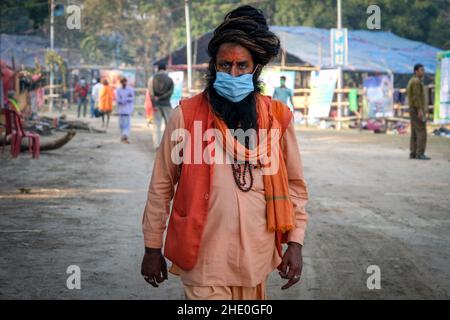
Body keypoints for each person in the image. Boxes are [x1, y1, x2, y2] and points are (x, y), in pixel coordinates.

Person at [141, 5, 309, 300]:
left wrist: (295, 243)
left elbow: (295, 186)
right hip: (203, 259)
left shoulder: (278, 118)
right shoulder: (186, 116)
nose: (232, 74)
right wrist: (152, 247)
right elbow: (161, 185)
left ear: (255, 68)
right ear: (213, 66)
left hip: (256, 259)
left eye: (241, 66)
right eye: (224, 65)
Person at [406, 64, 430, 160]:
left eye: (423, 70)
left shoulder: (412, 80)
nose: (423, 72)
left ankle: (413, 153)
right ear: (416, 71)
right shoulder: (416, 82)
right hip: (416, 109)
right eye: (421, 70)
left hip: (413, 108)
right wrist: (420, 110)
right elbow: (416, 97)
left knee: (414, 132)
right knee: (421, 131)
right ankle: (420, 153)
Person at [148, 63, 174, 147]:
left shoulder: (152, 78)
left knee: (157, 125)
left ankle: (157, 145)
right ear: (165, 69)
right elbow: (171, 92)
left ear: (158, 69)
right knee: (169, 124)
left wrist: (154, 103)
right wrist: (163, 97)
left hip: (156, 105)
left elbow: (151, 92)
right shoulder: (169, 79)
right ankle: (169, 145)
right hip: (166, 104)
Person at [115, 77, 135, 143]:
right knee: (121, 125)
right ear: (121, 83)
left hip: (127, 109)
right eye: (122, 82)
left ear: (126, 82)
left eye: (125, 82)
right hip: (121, 110)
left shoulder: (130, 90)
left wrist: (126, 100)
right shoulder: (118, 90)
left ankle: (125, 135)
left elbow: (132, 98)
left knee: (127, 124)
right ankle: (123, 136)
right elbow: (117, 99)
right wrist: (121, 101)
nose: (124, 83)